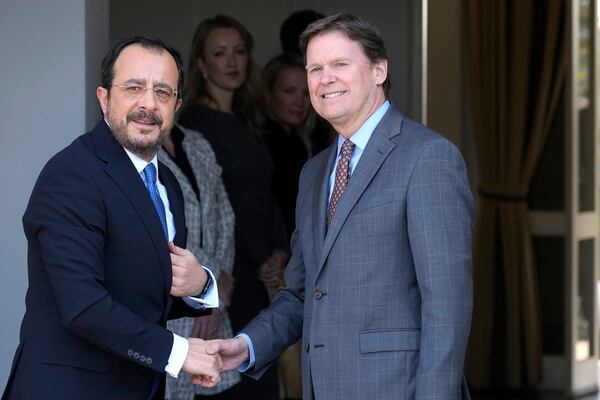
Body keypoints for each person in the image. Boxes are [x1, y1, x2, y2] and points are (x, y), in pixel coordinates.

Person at [205, 14, 474, 400]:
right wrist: (247, 345)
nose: (324, 78)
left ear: (379, 70)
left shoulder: (428, 158)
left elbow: (447, 305)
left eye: (339, 64)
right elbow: (300, 293)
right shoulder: (314, 172)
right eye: (315, 68)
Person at [1, 36, 223, 400]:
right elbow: (83, 305)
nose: (148, 104)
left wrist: (200, 285)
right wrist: (180, 352)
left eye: (163, 92)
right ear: (104, 99)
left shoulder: (166, 184)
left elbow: (139, 291)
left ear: (177, 105)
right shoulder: (72, 174)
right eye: (134, 88)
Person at [178, 15, 287, 400]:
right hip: (229, 269)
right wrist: (260, 260)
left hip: (259, 264)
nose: (232, 62)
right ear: (202, 64)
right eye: (220, 54)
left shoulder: (246, 119)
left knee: (259, 370)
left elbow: (263, 192)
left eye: (239, 52)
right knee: (237, 377)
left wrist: (278, 252)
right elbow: (214, 208)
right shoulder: (193, 124)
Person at [159, 123, 241, 399]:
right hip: (172, 294)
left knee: (211, 378)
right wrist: (210, 281)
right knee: (171, 386)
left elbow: (225, 214)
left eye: (167, 91)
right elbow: (164, 230)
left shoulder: (196, 141)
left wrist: (217, 287)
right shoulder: (139, 148)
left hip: (215, 297)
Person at [262, 52, 313, 241]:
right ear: (268, 94)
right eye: (289, 91)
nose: (299, 102)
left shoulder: (302, 142)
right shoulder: (260, 141)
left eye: (306, 93)